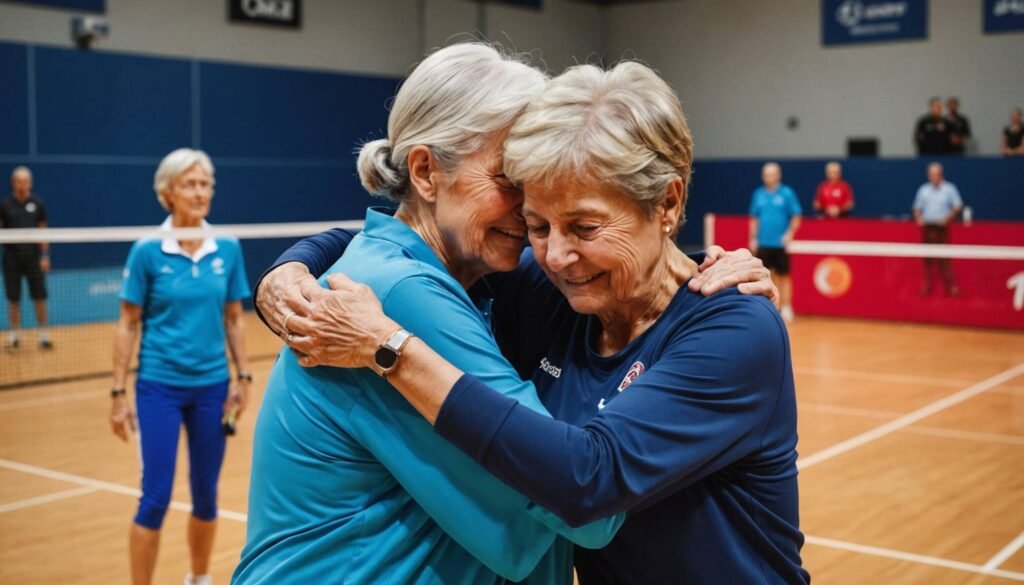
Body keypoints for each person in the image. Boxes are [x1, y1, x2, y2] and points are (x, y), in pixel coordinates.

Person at [256, 59, 806, 584]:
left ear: (667, 204)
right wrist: (291, 266)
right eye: (537, 223)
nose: (556, 254)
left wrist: (389, 347)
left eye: (585, 227)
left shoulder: (732, 329)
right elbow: (396, 249)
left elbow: (586, 482)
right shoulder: (553, 292)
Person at [108, 148, 251, 585]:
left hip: (212, 389)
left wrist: (242, 377)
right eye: (190, 184)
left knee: (206, 495)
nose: (200, 191)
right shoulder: (147, 250)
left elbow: (232, 317)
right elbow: (128, 324)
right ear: (167, 192)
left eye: (206, 183)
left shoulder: (226, 246)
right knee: (155, 498)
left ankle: (200, 578)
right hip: (159, 389)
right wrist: (118, 393)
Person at [1, 166, 52, 349]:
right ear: (13, 183)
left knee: (40, 297)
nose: (22, 184)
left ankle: (44, 335)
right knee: (13, 299)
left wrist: (45, 255)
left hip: (33, 258)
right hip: (11, 259)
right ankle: (14, 335)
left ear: (30, 183)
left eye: (25, 181)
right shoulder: (5, 205)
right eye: (19, 181)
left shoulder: (38, 204)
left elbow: (42, 231)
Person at [750, 162, 801, 323]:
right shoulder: (758, 194)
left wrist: (789, 234)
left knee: (784, 276)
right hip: (763, 243)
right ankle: (768, 308)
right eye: (765, 175)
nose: (768, 178)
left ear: (778, 175)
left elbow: (797, 216)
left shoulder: (787, 193)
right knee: (764, 276)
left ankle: (786, 307)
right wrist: (753, 238)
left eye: (771, 174)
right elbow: (754, 218)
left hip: (781, 244)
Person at [913, 162, 963, 296]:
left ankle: (951, 287)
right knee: (927, 259)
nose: (934, 177)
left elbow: (958, 205)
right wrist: (919, 217)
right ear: (928, 176)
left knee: (944, 259)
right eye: (932, 175)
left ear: (941, 175)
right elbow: (917, 207)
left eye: (937, 174)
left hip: (942, 228)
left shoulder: (950, 189)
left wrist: (948, 218)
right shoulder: (923, 190)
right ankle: (927, 286)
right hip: (928, 227)